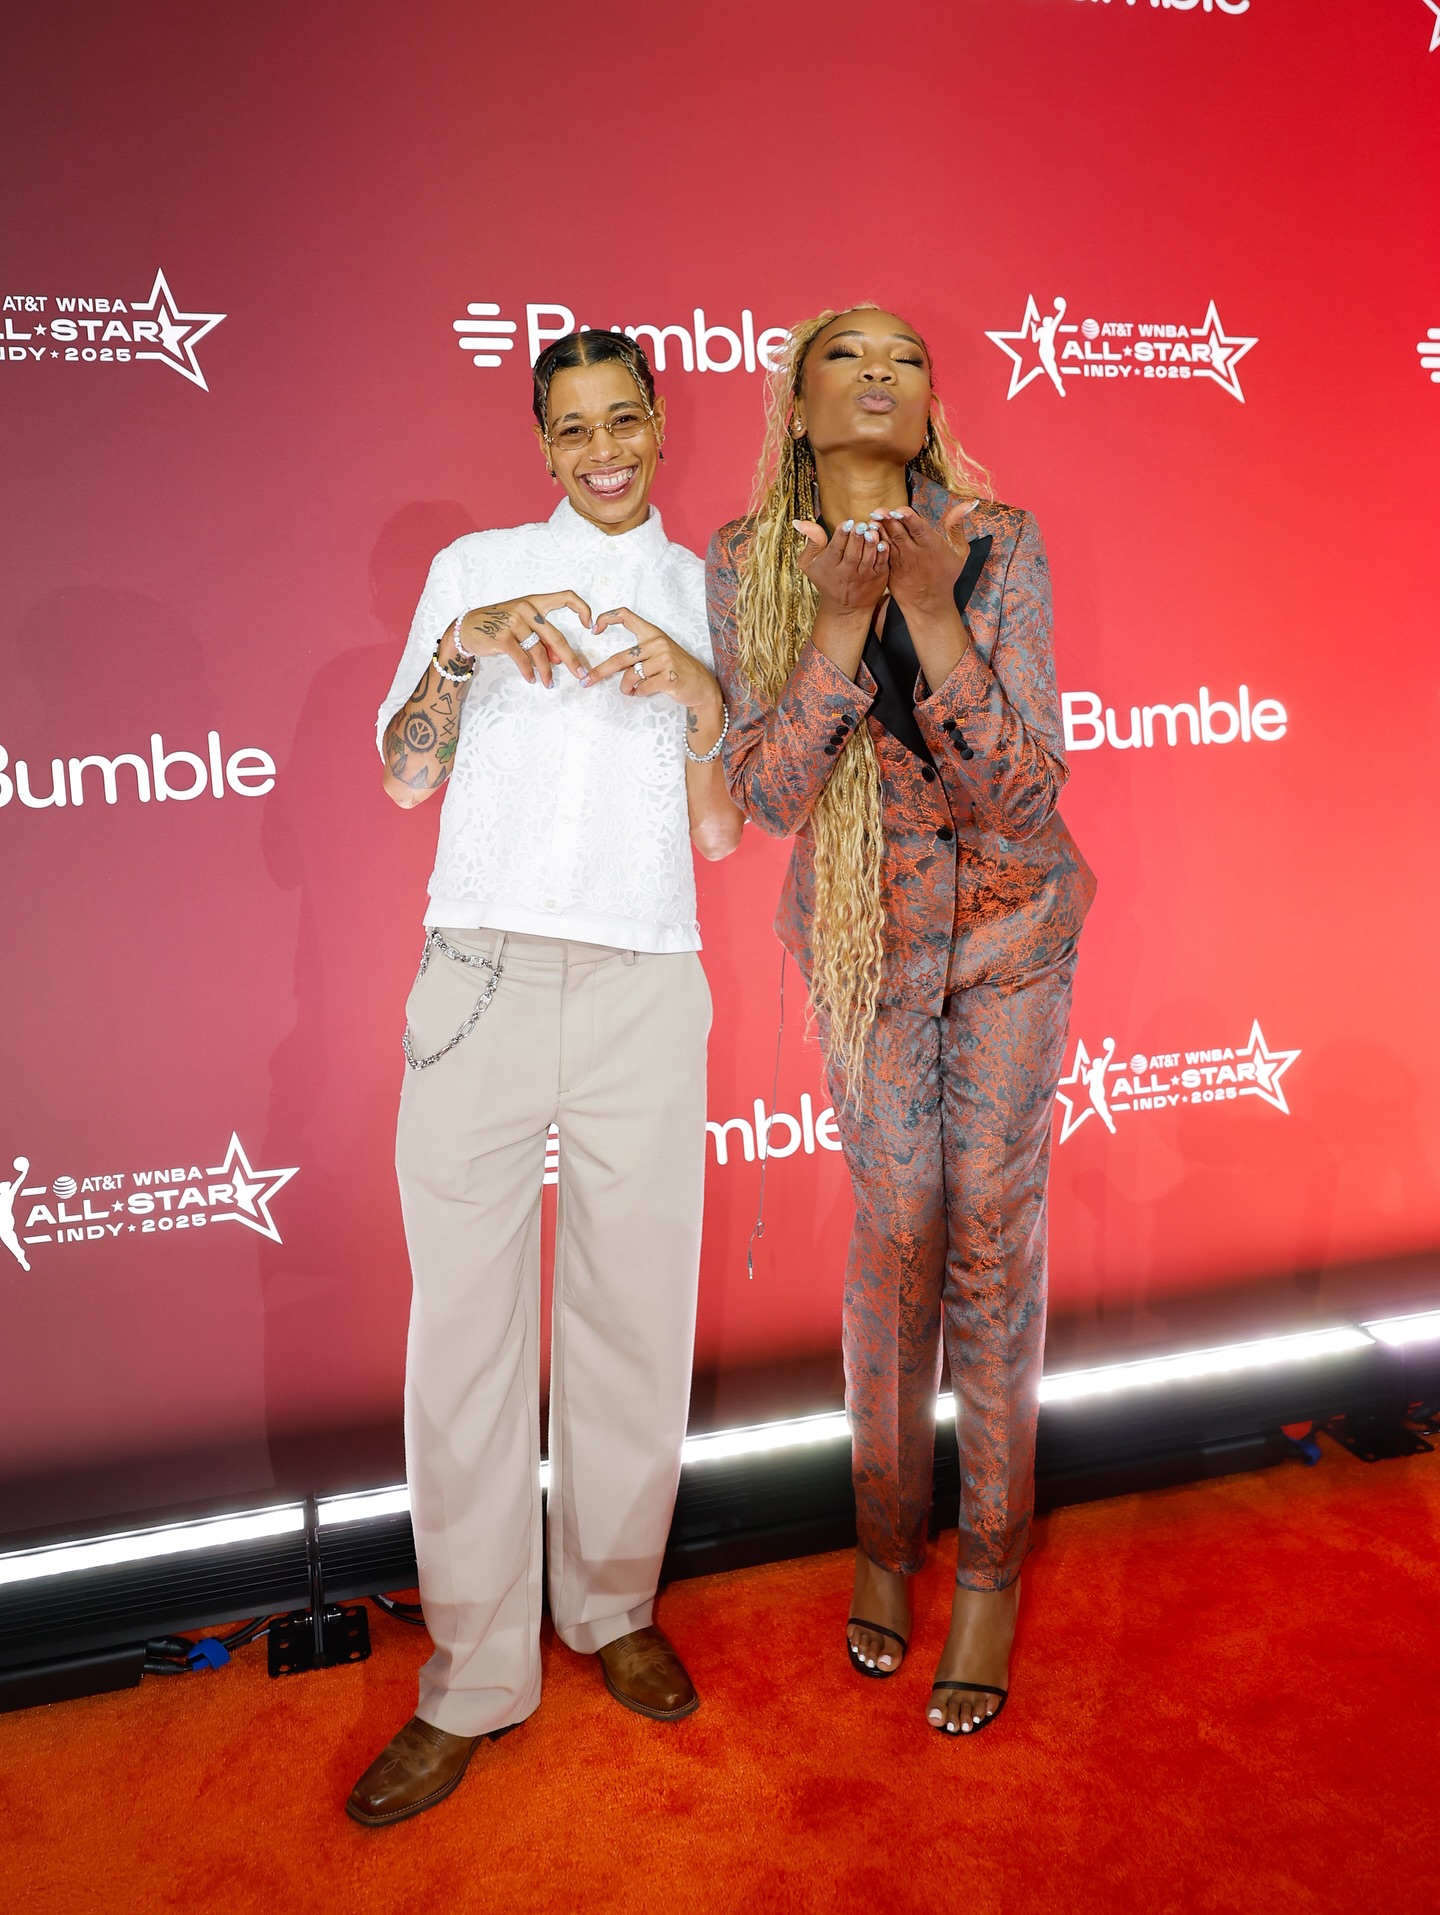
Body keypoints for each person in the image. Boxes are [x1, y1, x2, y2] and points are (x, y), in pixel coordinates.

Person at [350, 330, 742, 1827]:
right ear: (541, 444)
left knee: (635, 1315)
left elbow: (720, 831)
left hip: (647, 976)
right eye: (572, 427)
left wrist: (700, 695)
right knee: (464, 1332)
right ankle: (472, 1675)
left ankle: (613, 1606)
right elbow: (403, 772)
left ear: (658, 424)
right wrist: (463, 646)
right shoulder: (476, 569)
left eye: (623, 419)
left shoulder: (708, 589)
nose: (603, 450)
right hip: (483, 973)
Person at [706, 306, 1094, 1738]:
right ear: (797, 403)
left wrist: (933, 611)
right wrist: (836, 625)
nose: (880, 370)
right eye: (846, 354)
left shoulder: (1000, 540)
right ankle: (885, 1542)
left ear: (930, 404)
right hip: (866, 943)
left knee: (990, 1231)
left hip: (1008, 935)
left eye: (906, 356)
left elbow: (1025, 795)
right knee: (898, 1235)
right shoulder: (747, 561)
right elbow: (766, 794)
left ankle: (987, 1569)